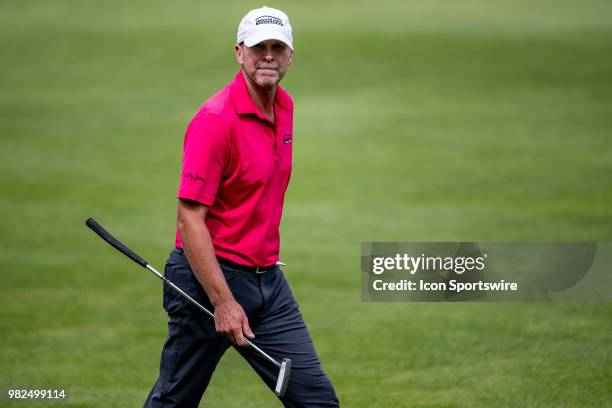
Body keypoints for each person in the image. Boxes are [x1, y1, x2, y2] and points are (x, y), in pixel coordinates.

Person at [144, 6, 340, 408]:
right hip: (207, 281)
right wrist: (222, 301)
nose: (268, 55)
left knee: (317, 401)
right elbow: (190, 217)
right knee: (173, 402)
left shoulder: (284, 107)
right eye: (258, 47)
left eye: (277, 47)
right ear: (239, 52)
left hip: (268, 284)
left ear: (290, 55)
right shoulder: (215, 120)